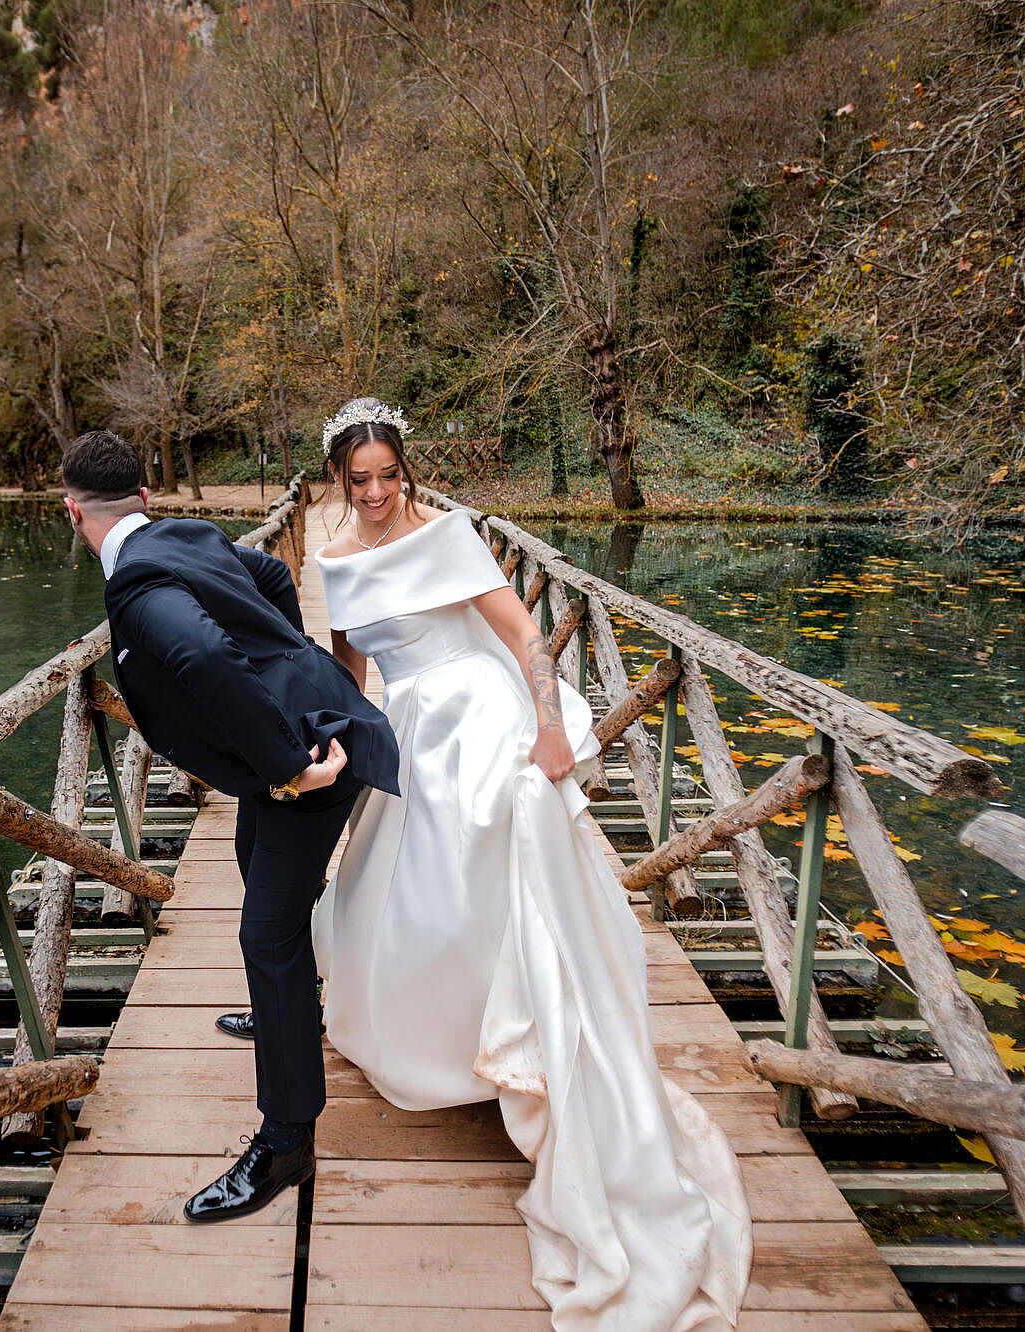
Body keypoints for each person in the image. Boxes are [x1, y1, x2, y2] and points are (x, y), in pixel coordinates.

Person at [221, 399, 752, 1330]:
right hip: (411, 730)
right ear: (337, 484)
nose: (379, 493)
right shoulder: (336, 557)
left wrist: (548, 726)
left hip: (486, 720)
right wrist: (301, 735)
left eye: (390, 474)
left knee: (477, 882)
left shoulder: (451, 534)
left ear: (406, 470)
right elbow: (349, 673)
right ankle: (448, 1039)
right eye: (361, 480)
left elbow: (521, 637)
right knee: (402, 896)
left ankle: (520, 1044)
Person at [58, 429, 399, 1224]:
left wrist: (284, 760)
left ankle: (287, 1142)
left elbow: (206, 660)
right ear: (144, 499)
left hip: (313, 761)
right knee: (253, 858)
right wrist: (288, 660)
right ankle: (297, 1006)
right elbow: (274, 574)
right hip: (299, 735)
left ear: (74, 513)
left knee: (264, 934)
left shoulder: (140, 591)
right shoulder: (186, 535)